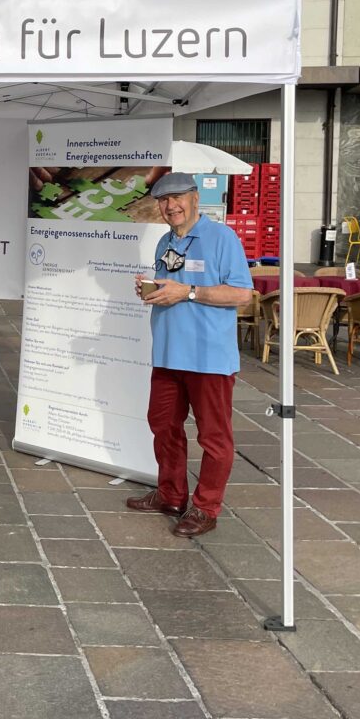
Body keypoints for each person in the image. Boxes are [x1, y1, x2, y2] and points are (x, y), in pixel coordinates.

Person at [130, 171, 253, 538]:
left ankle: (205, 507)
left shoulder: (221, 238)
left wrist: (188, 292)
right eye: (164, 201)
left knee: (214, 437)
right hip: (168, 354)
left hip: (208, 358)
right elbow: (170, 288)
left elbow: (241, 294)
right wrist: (151, 291)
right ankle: (170, 495)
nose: (171, 206)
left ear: (196, 198)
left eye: (178, 197)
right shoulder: (164, 242)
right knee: (163, 425)